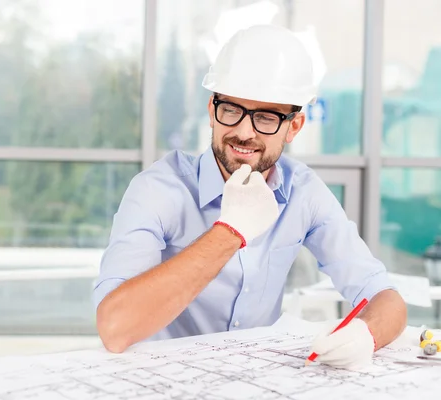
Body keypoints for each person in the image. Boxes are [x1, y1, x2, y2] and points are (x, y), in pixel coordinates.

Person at [93, 24, 407, 370]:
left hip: (256, 382)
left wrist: (367, 333)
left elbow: (384, 297)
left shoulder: (304, 192)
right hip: (160, 381)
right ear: (212, 110)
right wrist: (230, 231)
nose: (244, 131)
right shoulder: (157, 190)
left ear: (294, 126)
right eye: (232, 109)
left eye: (266, 118)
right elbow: (114, 327)